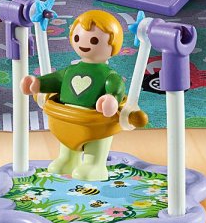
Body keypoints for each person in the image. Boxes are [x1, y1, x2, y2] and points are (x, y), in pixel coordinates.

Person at [19, 10, 127, 181]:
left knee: (95, 146)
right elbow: (56, 79)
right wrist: (37, 83)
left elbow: (117, 86)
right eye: (77, 38)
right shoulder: (71, 70)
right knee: (67, 141)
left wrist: (112, 98)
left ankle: (95, 165)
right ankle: (68, 159)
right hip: (66, 120)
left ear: (113, 45)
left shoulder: (108, 74)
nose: (84, 44)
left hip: (95, 123)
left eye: (94, 40)